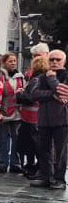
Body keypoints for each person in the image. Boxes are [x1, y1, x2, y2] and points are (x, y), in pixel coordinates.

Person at [29, 50, 68, 189]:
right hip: (44, 120)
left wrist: (52, 79)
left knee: (60, 152)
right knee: (44, 150)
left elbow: (63, 91)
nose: (54, 62)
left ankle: (59, 179)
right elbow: (34, 94)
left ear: (63, 61)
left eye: (58, 59)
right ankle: (46, 176)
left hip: (62, 120)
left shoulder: (64, 75)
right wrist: (52, 94)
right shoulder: (41, 77)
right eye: (51, 59)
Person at [17, 55, 48, 178]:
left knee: (31, 143)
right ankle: (36, 166)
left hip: (30, 116)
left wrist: (20, 94)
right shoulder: (46, 79)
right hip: (37, 115)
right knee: (36, 143)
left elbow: (31, 97)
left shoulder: (35, 80)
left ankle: (33, 167)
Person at [0, 53, 25, 173]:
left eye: (14, 61)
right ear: (4, 62)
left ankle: (15, 163)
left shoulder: (20, 77)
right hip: (3, 112)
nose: (13, 63)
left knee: (17, 139)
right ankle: (2, 163)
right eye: (10, 61)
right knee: (3, 140)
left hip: (17, 112)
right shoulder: (0, 76)